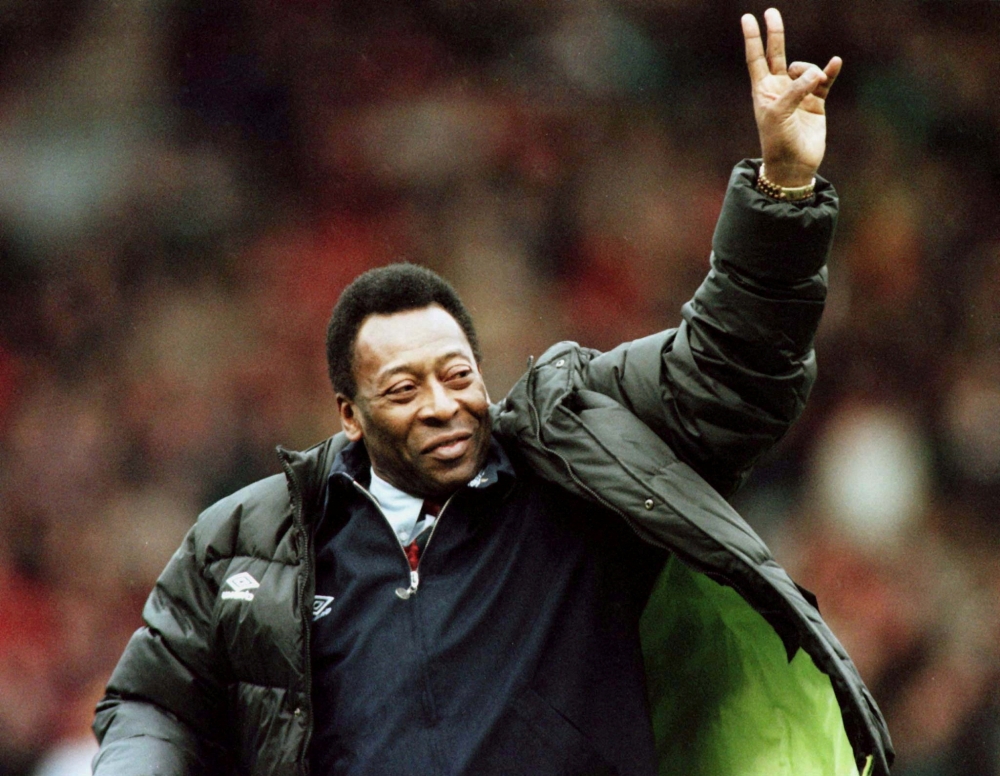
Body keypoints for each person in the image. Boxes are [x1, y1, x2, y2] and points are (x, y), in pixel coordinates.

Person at [93, 9, 893, 776]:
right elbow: (153, 702)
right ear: (350, 414)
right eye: (403, 389)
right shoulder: (248, 540)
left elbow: (729, 372)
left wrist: (782, 189)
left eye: (457, 374)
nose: (443, 405)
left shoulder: (578, 456)